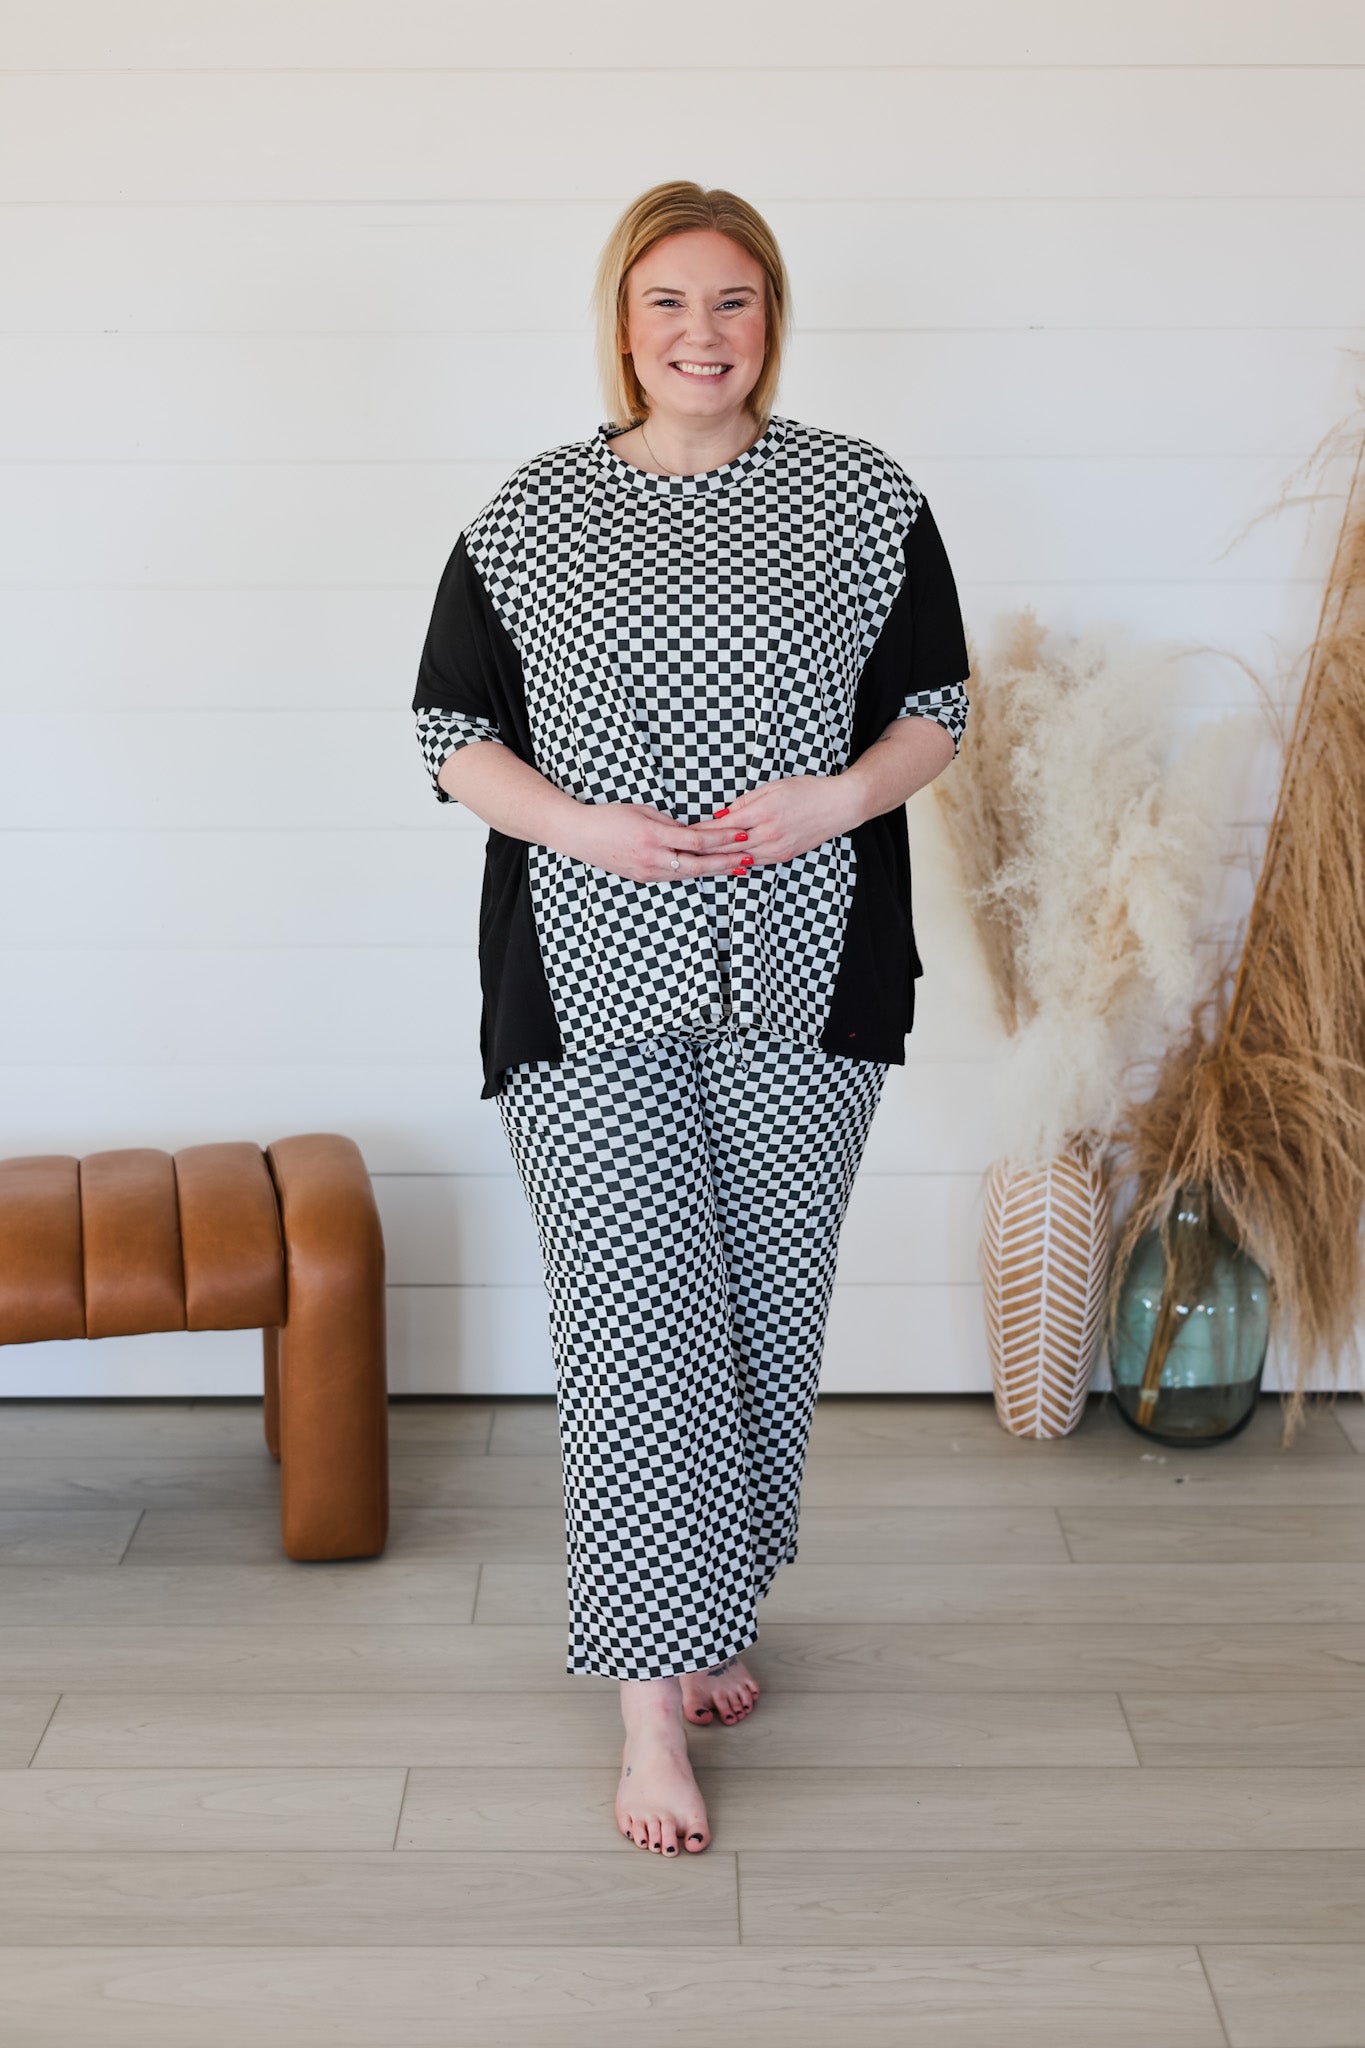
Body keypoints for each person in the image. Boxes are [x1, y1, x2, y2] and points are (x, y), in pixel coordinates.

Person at [412, 180, 970, 1860]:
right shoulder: (532, 512)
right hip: (588, 971)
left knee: (760, 1311)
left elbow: (934, 703)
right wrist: (580, 826)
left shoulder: (861, 496)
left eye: (731, 300)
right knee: (634, 1316)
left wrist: (838, 798)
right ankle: (647, 1704)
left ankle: (709, 1608)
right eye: (666, 301)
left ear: (768, 318)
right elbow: (450, 730)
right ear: (621, 320)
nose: (700, 333)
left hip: (808, 960)